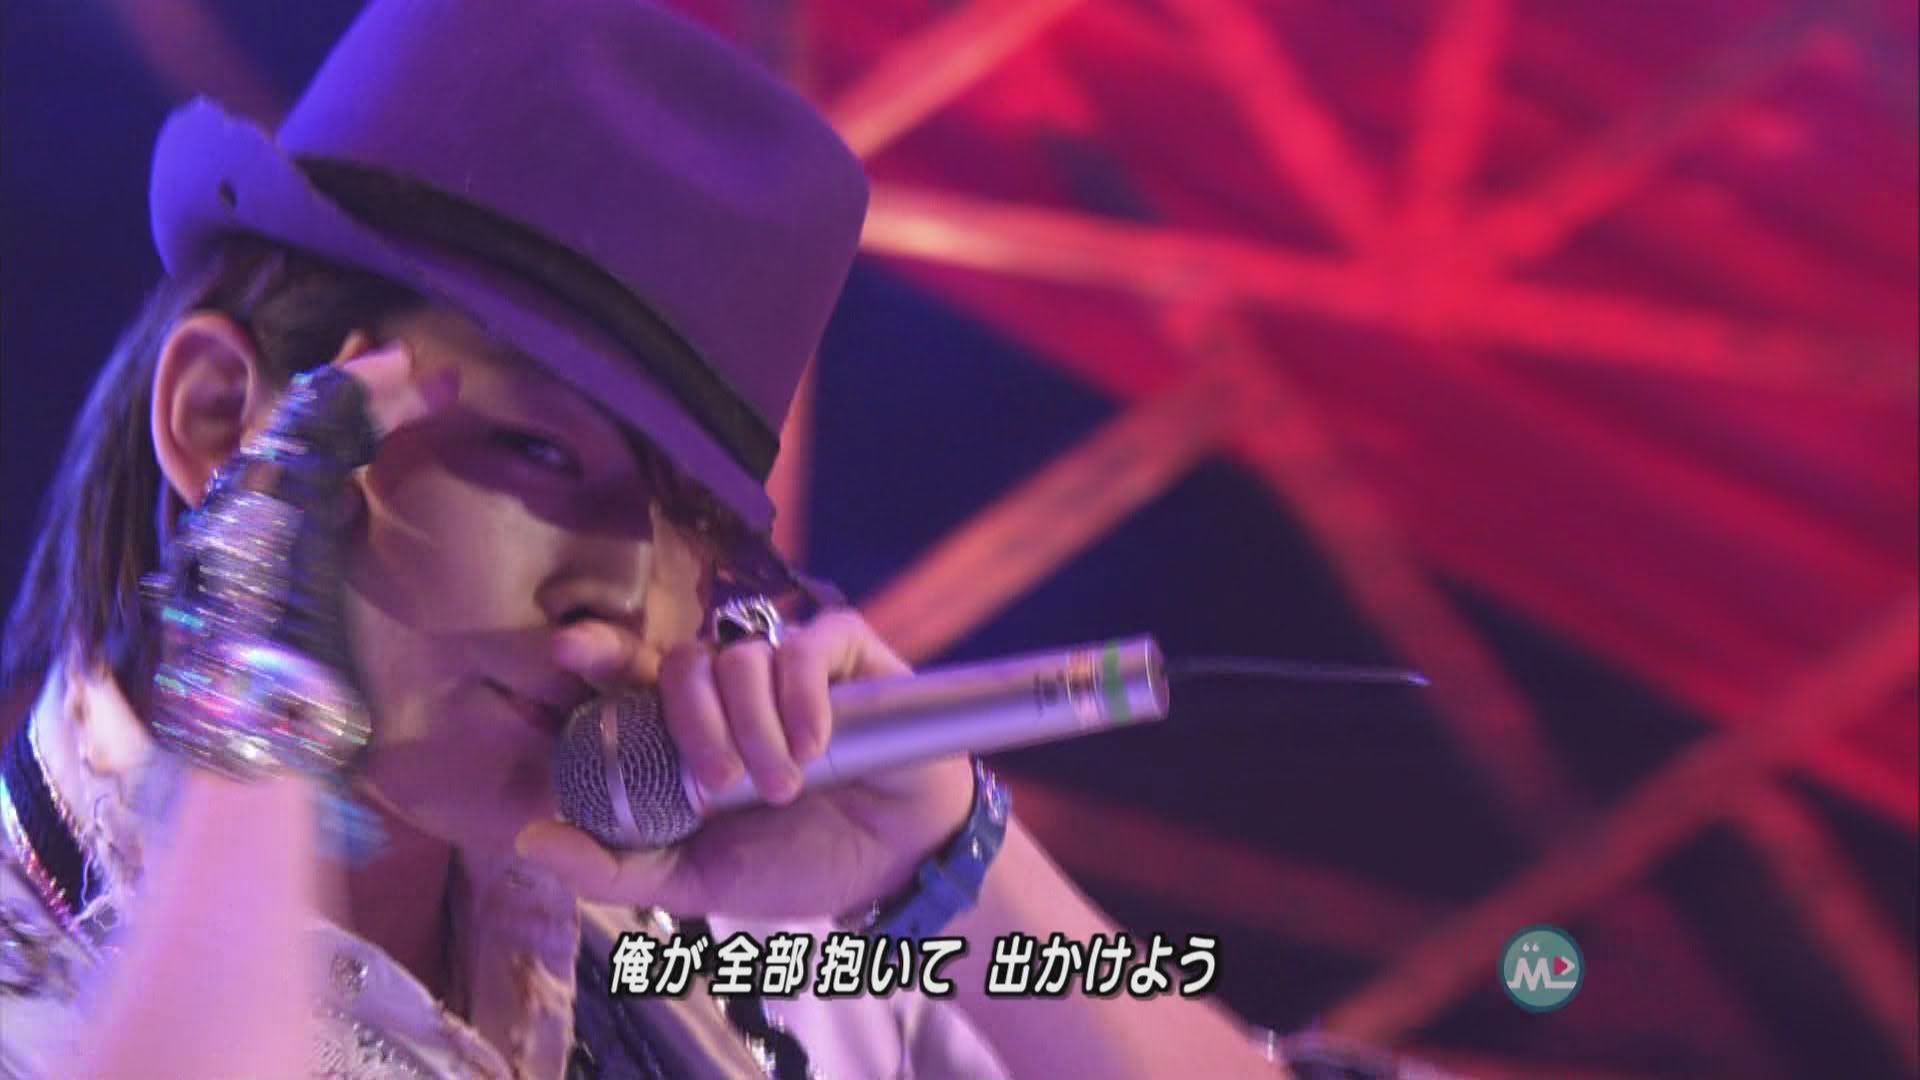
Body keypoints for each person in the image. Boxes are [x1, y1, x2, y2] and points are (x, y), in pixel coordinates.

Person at [0, 2, 1290, 1076]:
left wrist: (955, 868)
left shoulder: (738, 940)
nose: (625, 594)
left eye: (697, 531)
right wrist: (251, 719)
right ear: (221, 416)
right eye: (539, 452)